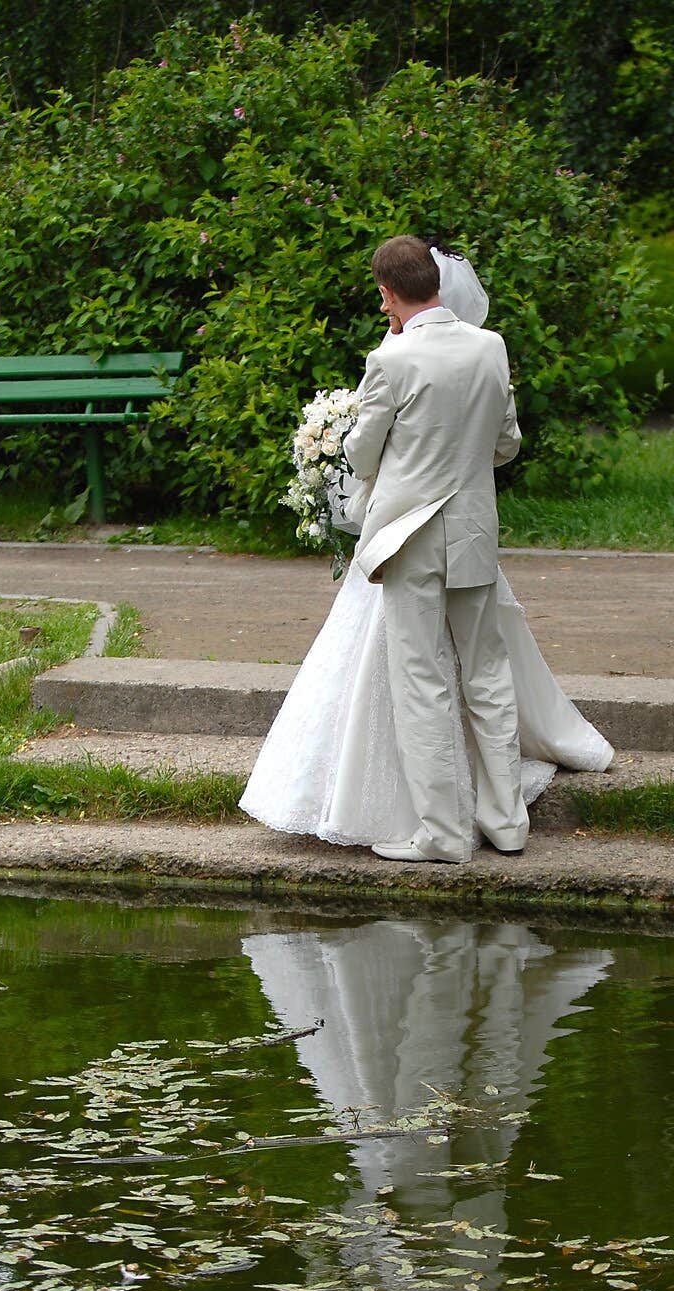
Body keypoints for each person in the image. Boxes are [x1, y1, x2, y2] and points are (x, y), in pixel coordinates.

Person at [239, 238, 613, 858]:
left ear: (388, 293)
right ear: (436, 280)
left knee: (423, 681)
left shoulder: (391, 360)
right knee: (488, 675)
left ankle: (442, 833)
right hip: (471, 532)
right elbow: (507, 444)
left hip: (408, 539)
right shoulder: (489, 347)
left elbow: (361, 454)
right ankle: (507, 822)